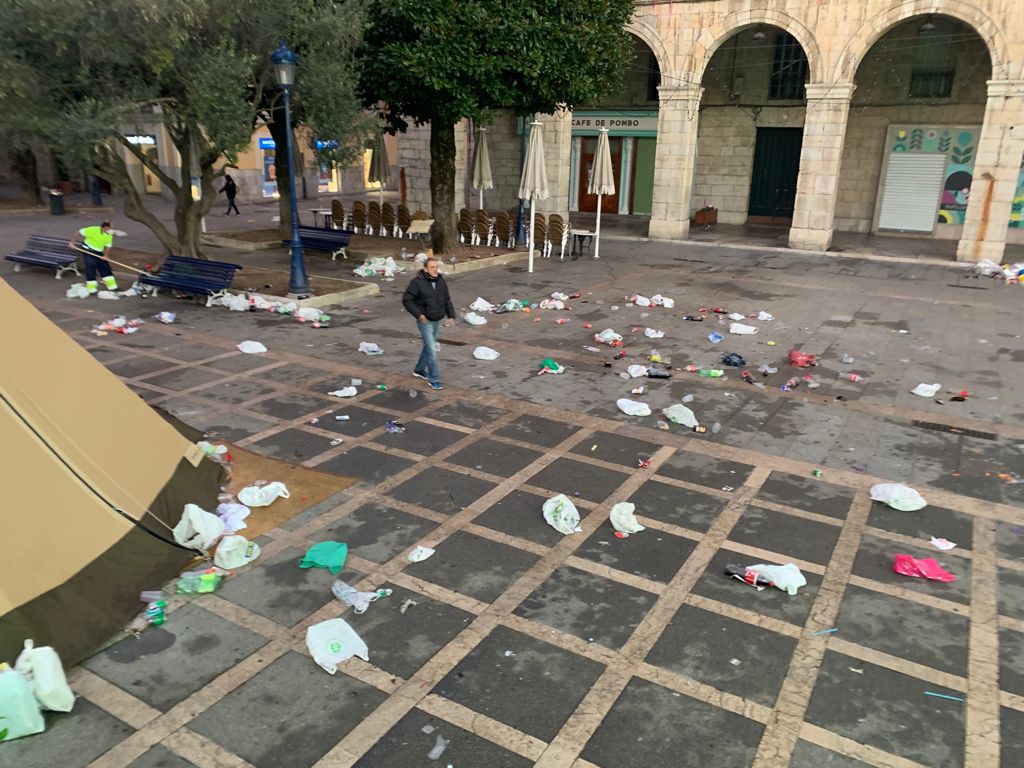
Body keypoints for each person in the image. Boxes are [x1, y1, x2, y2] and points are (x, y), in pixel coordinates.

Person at [401, 255, 455, 390]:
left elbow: (447, 299)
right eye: (432, 267)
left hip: (437, 319)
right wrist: (419, 315)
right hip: (425, 321)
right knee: (432, 350)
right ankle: (434, 378)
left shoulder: (441, 281)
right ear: (425, 269)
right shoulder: (417, 282)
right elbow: (407, 300)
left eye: (436, 267)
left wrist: (451, 315)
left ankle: (419, 370)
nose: (435, 270)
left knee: (428, 347)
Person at [70, 220, 117, 295]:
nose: (112, 229)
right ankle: (91, 289)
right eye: (111, 227)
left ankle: (112, 286)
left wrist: (105, 256)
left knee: (105, 267)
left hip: (98, 252)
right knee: (91, 266)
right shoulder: (93, 230)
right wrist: (72, 243)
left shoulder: (109, 235)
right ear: (105, 227)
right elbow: (78, 232)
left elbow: (108, 246)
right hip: (88, 250)